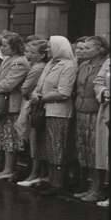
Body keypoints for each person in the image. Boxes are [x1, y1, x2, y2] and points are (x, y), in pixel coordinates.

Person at [29, 36, 77, 197]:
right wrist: (36, 93)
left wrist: (41, 97)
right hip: (45, 110)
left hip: (59, 112)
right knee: (47, 147)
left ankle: (58, 182)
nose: (48, 50)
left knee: (57, 148)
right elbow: (40, 85)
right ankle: (49, 179)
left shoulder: (68, 65)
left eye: (50, 47)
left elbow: (64, 92)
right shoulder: (51, 63)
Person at [0, 33, 29, 181]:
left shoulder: (19, 62)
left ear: (14, 46)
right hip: (4, 104)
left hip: (12, 105)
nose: (2, 48)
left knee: (10, 139)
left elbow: (8, 83)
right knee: (5, 137)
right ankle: (6, 167)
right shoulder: (10, 59)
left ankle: (10, 169)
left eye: (5, 45)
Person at [72, 36, 109, 202]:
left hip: (96, 112)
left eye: (88, 48)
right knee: (85, 151)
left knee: (96, 152)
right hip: (81, 110)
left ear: (100, 49)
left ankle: (97, 189)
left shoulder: (105, 64)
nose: (83, 51)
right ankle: (90, 187)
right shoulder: (83, 65)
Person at [16, 40, 51, 187]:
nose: (28, 54)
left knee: (34, 141)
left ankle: (35, 173)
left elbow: (25, 89)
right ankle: (35, 173)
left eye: (32, 52)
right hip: (34, 103)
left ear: (41, 55)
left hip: (31, 104)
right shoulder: (38, 66)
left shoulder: (37, 68)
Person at [92, 56, 110, 207]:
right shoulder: (109, 61)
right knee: (107, 153)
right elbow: (98, 81)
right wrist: (104, 92)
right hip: (108, 111)